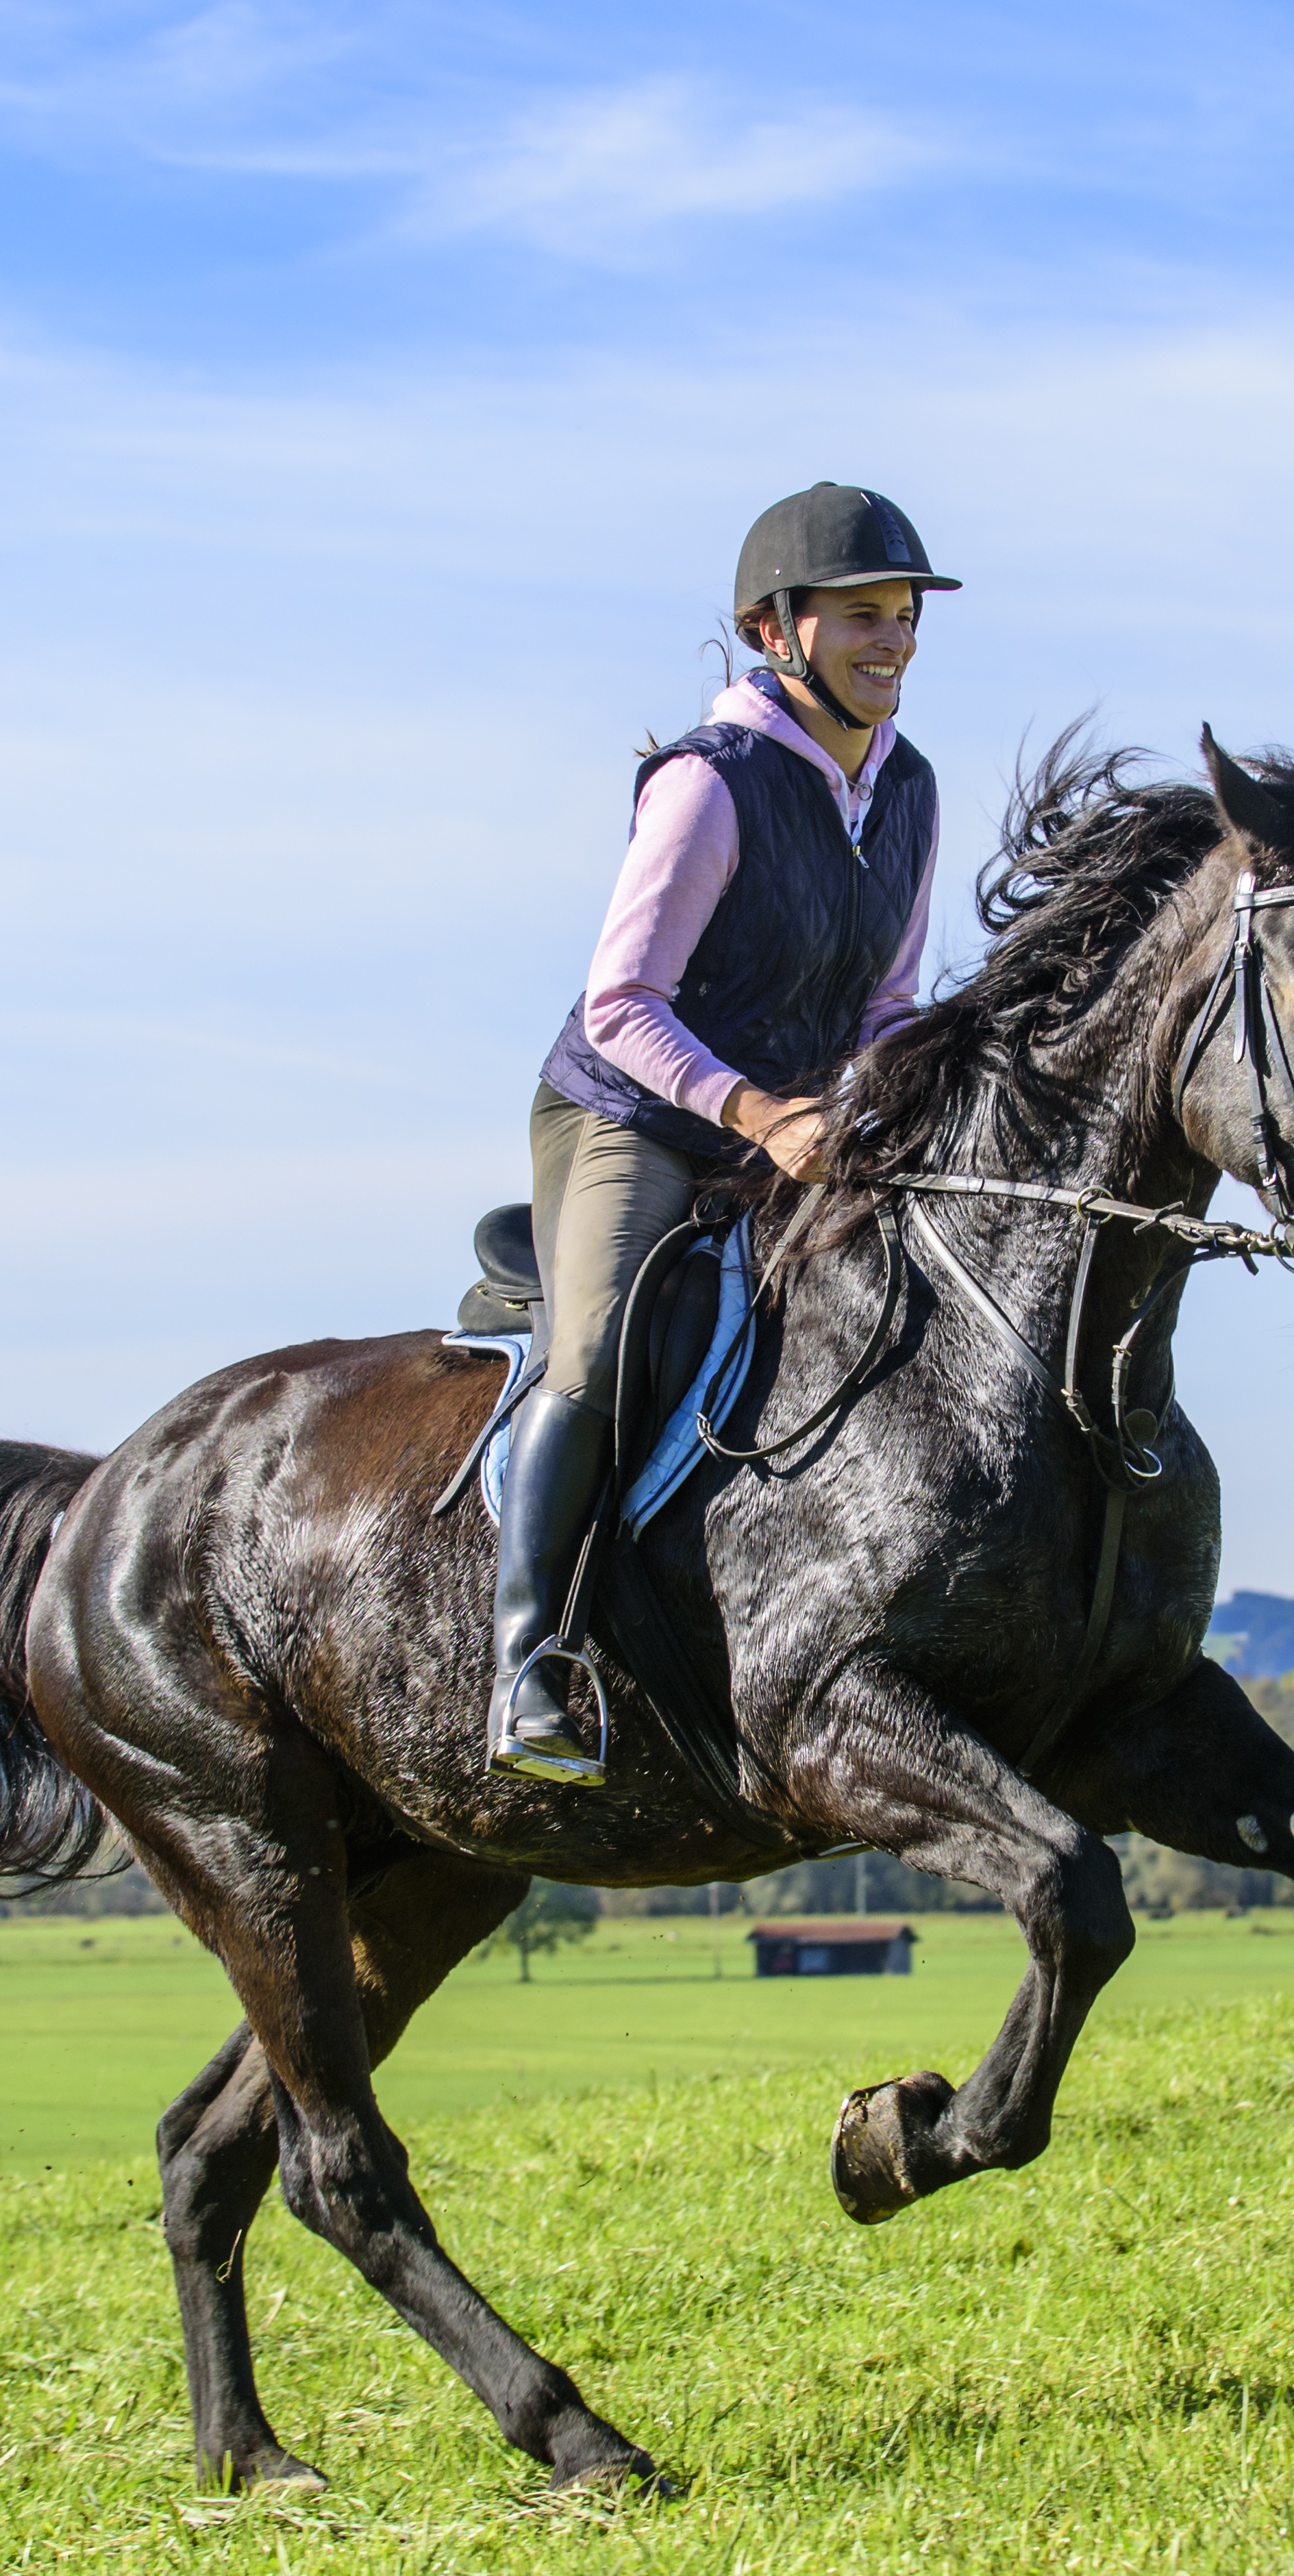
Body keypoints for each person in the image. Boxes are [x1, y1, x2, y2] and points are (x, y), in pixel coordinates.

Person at [488, 482, 957, 1784]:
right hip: (629, 1117)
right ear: (774, 631)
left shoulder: (909, 790)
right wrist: (759, 1110)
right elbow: (622, 1004)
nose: (894, 643)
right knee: (596, 1353)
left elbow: (889, 1004)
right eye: (863, 616)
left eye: (906, 619)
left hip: (797, 1133)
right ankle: (529, 1660)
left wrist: (873, 1111)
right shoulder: (709, 786)